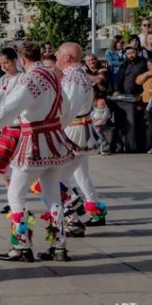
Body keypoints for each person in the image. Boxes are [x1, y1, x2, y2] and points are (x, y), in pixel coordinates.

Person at [0, 42, 76, 263]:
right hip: (54, 142)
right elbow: (66, 107)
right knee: (53, 196)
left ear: (21, 59)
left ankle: (21, 245)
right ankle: (59, 245)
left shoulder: (30, 79)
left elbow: (10, 109)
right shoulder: (52, 75)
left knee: (15, 194)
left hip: (34, 142)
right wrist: (57, 128)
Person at [57, 43, 107, 236]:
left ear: (67, 57)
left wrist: (56, 129)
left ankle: (73, 216)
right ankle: (95, 210)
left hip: (73, 130)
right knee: (81, 174)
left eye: (59, 54)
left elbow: (69, 108)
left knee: (59, 177)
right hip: (79, 128)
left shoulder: (74, 78)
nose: (57, 56)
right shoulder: (80, 75)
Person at [0, 47, 22, 214]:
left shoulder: (22, 79)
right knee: (4, 167)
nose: (4, 67)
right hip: (5, 126)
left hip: (19, 127)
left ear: (14, 61)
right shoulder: (3, 80)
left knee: (18, 167)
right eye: (1, 64)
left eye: (6, 63)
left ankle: (17, 202)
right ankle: (12, 200)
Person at [137, 54, 152, 155]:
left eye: (151, 65)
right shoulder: (147, 75)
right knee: (151, 124)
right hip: (147, 102)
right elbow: (138, 81)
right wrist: (147, 74)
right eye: (148, 65)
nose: (149, 67)